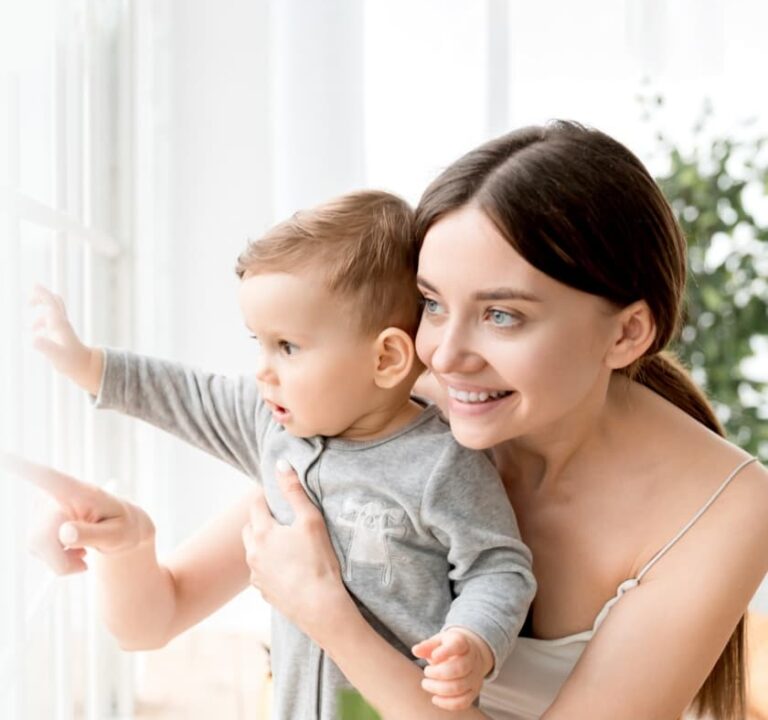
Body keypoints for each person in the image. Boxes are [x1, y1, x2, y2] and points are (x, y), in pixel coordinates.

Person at [13, 120, 768, 720]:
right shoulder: (394, 413)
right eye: (433, 303)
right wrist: (122, 542)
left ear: (628, 333)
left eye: (503, 315)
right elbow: (156, 616)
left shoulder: (725, 508)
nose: (443, 353)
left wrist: (330, 615)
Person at [26, 190, 536, 718]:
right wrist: (85, 363)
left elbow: (497, 567)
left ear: (385, 358)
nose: (262, 370)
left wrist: (474, 640)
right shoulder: (273, 426)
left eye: (287, 347)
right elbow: (187, 394)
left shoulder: (440, 464)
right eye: (259, 342)